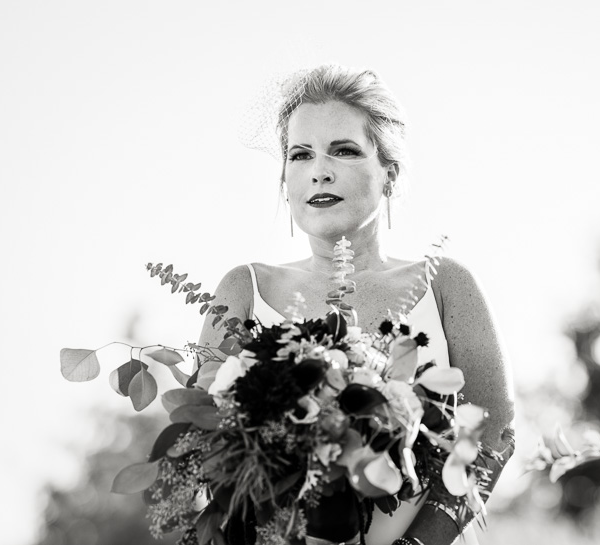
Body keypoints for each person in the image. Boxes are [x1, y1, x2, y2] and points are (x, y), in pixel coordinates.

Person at [198, 65, 515, 545]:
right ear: (285, 179)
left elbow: (493, 435)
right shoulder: (242, 291)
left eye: (343, 150)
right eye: (300, 154)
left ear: (389, 171)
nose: (319, 170)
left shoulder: (445, 284)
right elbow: (205, 451)